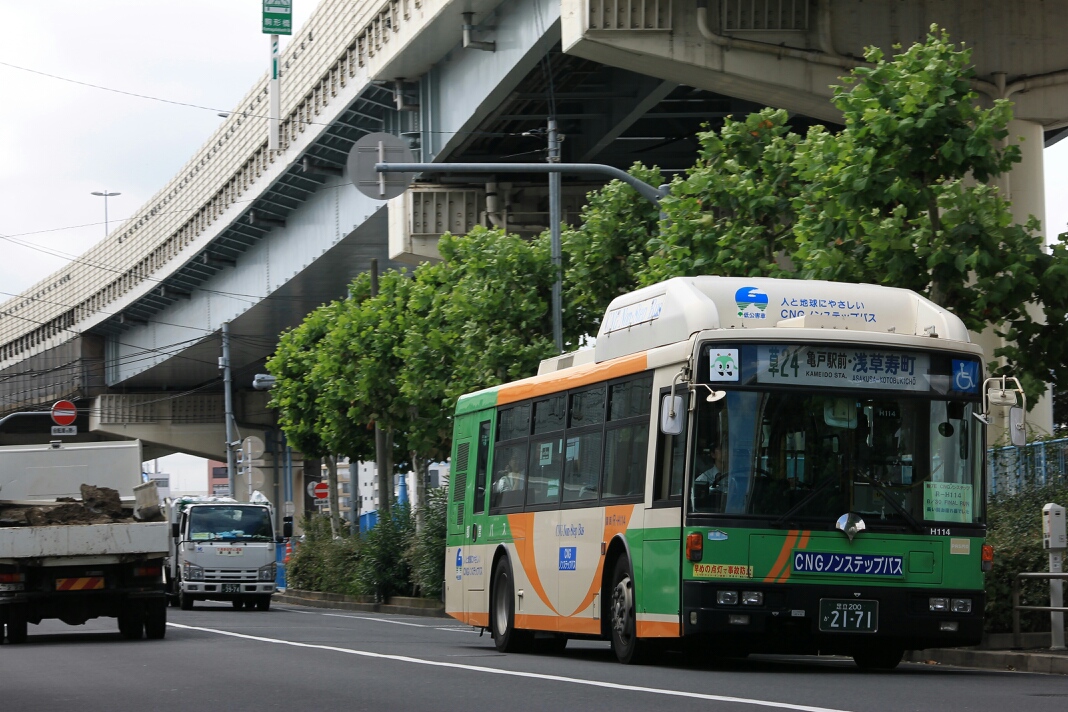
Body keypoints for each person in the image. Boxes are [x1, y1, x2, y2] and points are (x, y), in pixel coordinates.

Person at [691, 444, 727, 510]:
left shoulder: (734, 477)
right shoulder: (703, 479)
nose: (725, 451)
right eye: (721, 449)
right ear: (713, 454)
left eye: (727, 448)